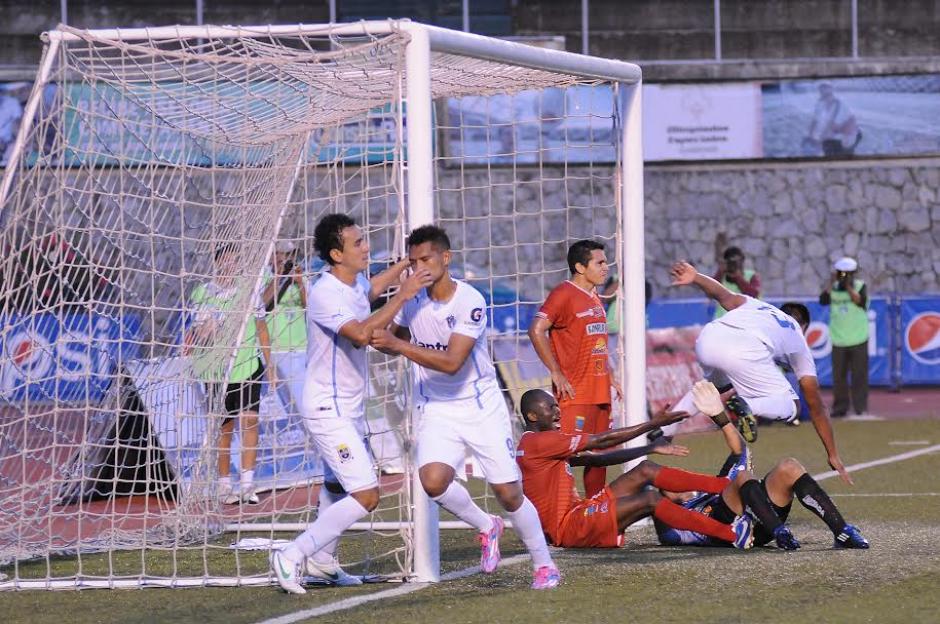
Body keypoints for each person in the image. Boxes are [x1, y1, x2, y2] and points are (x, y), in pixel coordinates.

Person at [370, 225, 562, 590]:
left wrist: (397, 345)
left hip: (479, 406)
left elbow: (452, 362)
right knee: (432, 482)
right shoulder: (412, 298)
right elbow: (389, 340)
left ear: (446, 258)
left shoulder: (469, 300)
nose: (420, 267)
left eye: (426, 259)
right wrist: (394, 309)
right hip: (436, 406)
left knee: (508, 493)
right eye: (413, 262)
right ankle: (487, 525)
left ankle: (544, 564)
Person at [271, 214, 433, 595]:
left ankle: (322, 561)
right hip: (327, 409)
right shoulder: (324, 293)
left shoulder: (353, 282)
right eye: (357, 243)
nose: (366, 247)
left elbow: (369, 291)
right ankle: (291, 555)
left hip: (349, 407)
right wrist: (404, 294)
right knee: (366, 494)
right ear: (335, 254)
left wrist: (403, 266)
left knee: (336, 485)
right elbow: (361, 334)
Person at [669, 260, 853, 485]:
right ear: (804, 326)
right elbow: (816, 406)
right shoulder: (797, 336)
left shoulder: (759, 307)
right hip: (744, 350)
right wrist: (832, 453)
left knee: (711, 388)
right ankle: (748, 405)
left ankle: (664, 429)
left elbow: (722, 294)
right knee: (794, 405)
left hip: (709, 338)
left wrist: (696, 277)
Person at [516, 388, 756, 550]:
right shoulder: (540, 442)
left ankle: (725, 485)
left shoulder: (537, 443)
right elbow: (602, 441)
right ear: (532, 415)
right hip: (569, 527)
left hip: (578, 512)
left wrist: (649, 448)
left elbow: (598, 460)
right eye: (550, 407)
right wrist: (653, 424)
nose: (558, 412)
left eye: (557, 406)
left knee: (645, 469)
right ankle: (731, 534)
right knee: (650, 499)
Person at [656, 381, 869, 550]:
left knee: (789, 467)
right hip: (729, 532)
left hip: (759, 526)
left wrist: (719, 416)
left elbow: (740, 450)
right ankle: (780, 531)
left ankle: (842, 531)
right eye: (667, 483)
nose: (675, 478)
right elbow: (664, 530)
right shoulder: (677, 521)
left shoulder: (710, 489)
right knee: (743, 476)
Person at [527, 240, 621, 498]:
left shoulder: (595, 296)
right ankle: (555, 511)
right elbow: (536, 330)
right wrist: (555, 372)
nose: (606, 267)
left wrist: (610, 376)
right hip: (575, 394)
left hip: (600, 392)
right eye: (599, 263)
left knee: (599, 458)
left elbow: (596, 343)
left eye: (605, 262)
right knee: (565, 455)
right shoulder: (564, 294)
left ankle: (593, 508)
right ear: (580, 267)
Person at [186, 243, 277, 506]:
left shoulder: (249, 291)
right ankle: (224, 485)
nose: (231, 265)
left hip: (247, 364)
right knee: (223, 427)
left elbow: (261, 327)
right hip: (216, 369)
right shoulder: (203, 292)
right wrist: (209, 326)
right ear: (217, 263)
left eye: (235, 260)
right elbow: (199, 333)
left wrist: (269, 364)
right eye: (226, 260)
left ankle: (248, 484)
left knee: (250, 421)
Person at [820, 257, 870, 417]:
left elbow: (860, 301)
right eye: (841, 273)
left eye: (847, 274)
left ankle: (860, 407)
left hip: (858, 338)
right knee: (839, 377)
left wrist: (848, 286)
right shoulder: (833, 288)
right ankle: (840, 407)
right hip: (838, 339)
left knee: (859, 375)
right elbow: (823, 300)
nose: (844, 276)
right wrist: (832, 282)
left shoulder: (860, 286)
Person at [805, 82, 861, 158]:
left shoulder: (840, 105)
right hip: (834, 133)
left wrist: (819, 142)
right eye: (822, 90)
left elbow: (831, 129)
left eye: (827, 92)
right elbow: (815, 120)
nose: (824, 93)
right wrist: (810, 135)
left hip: (848, 134)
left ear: (832, 91)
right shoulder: (820, 103)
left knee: (837, 153)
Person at [712, 246, 761, 319]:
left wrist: (738, 278)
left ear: (743, 260)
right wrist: (720, 271)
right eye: (730, 262)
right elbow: (711, 293)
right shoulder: (721, 276)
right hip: (723, 319)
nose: (733, 265)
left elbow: (753, 295)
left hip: (746, 319)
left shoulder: (752, 276)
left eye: (735, 262)